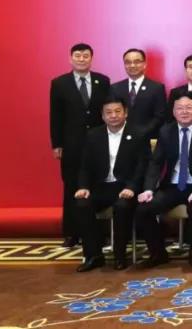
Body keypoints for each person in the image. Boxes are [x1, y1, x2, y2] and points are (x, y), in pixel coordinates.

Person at [136, 92, 192, 269]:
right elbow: (156, 163)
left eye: (189, 107)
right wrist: (149, 189)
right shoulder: (166, 131)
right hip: (172, 186)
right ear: (173, 111)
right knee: (143, 209)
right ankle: (158, 253)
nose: (184, 112)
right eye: (180, 108)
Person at [73, 96, 148, 271]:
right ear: (102, 115)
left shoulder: (138, 134)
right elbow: (84, 166)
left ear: (125, 113)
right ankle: (93, 255)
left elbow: (142, 166)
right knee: (82, 204)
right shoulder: (93, 135)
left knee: (122, 206)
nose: (113, 116)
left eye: (117, 111)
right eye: (108, 112)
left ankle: (119, 255)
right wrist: (83, 187)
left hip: (126, 187)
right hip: (101, 186)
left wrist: (132, 187)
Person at [50, 43, 111, 248]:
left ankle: (98, 233)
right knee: (71, 188)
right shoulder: (60, 83)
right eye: (78, 56)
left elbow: (107, 112)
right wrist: (57, 144)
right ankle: (71, 233)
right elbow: (56, 116)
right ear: (71, 58)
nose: (82, 59)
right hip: (71, 145)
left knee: (97, 186)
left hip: (98, 144)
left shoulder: (103, 81)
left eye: (86, 56)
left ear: (91, 58)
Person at [111, 48, 167, 138]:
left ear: (144, 64)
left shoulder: (157, 88)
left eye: (137, 62)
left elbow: (160, 116)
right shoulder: (115, 88)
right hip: (121, 137)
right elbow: (112, 113)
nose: (132, 65)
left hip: (147, 137)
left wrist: (143, 131)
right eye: (128, 62)